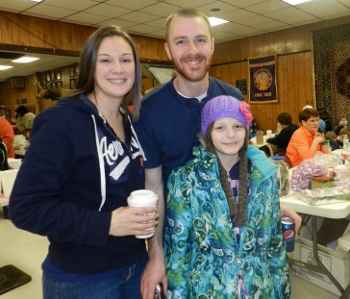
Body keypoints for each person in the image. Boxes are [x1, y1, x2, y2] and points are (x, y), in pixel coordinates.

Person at [135, 8, 300, 299]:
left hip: (238, 250)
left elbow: (246, 159)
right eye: (181, 41)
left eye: (200, 40)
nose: (193, 50)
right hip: (188, 245)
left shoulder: (231, 97)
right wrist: (155, 254)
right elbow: (154, 185)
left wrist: (270, 206)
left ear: (212, 44)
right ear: (167, 49)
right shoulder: (151, 109)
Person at [9, 26, 158, 299]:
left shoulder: (130, 121)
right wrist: (106, 225)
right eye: (106, 60)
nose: (118, 68)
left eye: (126, 60)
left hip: (134, 266)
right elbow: (24, 208)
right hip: (82, 280)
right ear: (90, 65)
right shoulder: (61, 122)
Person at [165, 95, 290, 298]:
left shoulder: (264, 176)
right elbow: (178, 253)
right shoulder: (186, 180)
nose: (230, 134)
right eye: (220, 127)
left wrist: (282, 290)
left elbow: (275, 244)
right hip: (208, 289)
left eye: (238, 126)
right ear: (207, 132)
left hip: (259, 287)